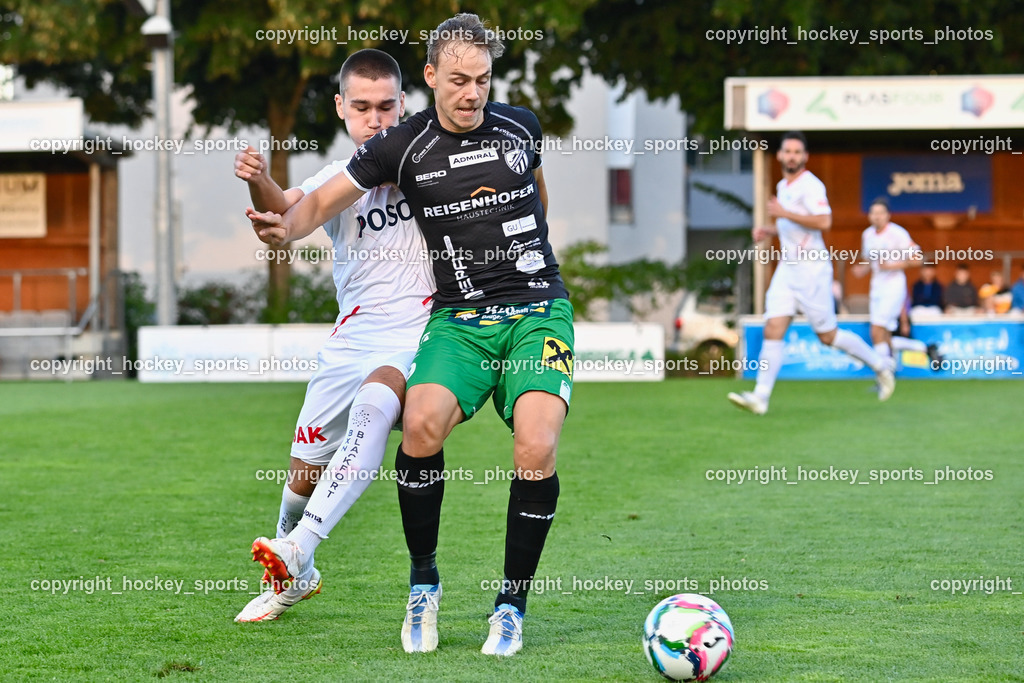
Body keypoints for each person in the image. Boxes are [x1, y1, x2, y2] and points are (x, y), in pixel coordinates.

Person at [246, 13, 572, 657]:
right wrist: (283, 227)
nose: (472, 93)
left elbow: (534, 189)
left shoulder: (521, 126)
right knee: (409, 432)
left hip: (534, 311)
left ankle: (510, 607)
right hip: (453, 324)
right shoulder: (401, 147)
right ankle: (421, 585)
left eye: (482, 79)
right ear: (430, 78)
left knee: (535, 447)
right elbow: (311, 202)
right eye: (457, 80)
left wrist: (530, 248)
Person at [233, 49, 434, 622]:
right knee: (301, 473)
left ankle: (301, 551)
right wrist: (262, 182)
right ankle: (290, 573)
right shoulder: (335, 180)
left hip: (417, 335)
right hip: (350, 338)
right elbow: (289, 213)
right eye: (364, 107)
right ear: (342, 108)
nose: (377, 120)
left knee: (376, 406)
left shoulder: (432, 167)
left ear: (404, 104)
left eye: (388, 107)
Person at [728, 132, 895, 415]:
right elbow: (792, 226)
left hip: (812, 270)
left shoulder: (811, 185)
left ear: (804, 157)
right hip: (787, 269)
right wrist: (769, 230)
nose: (791, 156)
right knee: (773, 327)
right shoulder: (783, 186)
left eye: (797, 152)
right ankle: (760, 397)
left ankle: (881, 366)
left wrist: (783, 213)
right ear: (780, 155)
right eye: (787, 151)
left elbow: (823, 220)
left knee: (828, 336)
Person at [851, 198, 931, 364]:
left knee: (876, 330)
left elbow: (918, 258)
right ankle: (924, 349)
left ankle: (884, 373)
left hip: (893, 287)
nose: (877, 217)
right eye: (873, 213)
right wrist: (862, 269)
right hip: (876, 288)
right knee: (884, 334)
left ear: (887, 215)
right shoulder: (867, 235)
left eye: (880, 213)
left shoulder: (897, 234)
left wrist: (892, 265)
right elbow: (870, 261)